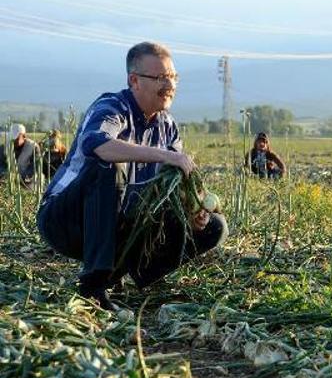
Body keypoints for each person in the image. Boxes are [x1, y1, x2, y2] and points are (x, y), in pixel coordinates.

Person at [37, 42, 228, 310]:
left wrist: (193, 211)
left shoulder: (167, 125)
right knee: (107, 166)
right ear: (134, 80)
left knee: (214, 226)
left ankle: (123, 271)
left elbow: (175, 187)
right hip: (66, 220)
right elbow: (98, 145)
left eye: (173, 77)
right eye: (160, 77)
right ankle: (93, 285)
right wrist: (164, 155)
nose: (169, 84)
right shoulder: (112, 107)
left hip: (120, 225)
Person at [7, 124, 41, 189]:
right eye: (12, 138)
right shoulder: (6, 147)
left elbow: (35, 166)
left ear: (23, 136)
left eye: (17, 138)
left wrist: (22, 176)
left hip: (28, 183)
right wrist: (5, 174)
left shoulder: (33, 147)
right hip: (9, 183)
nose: (14, 141)